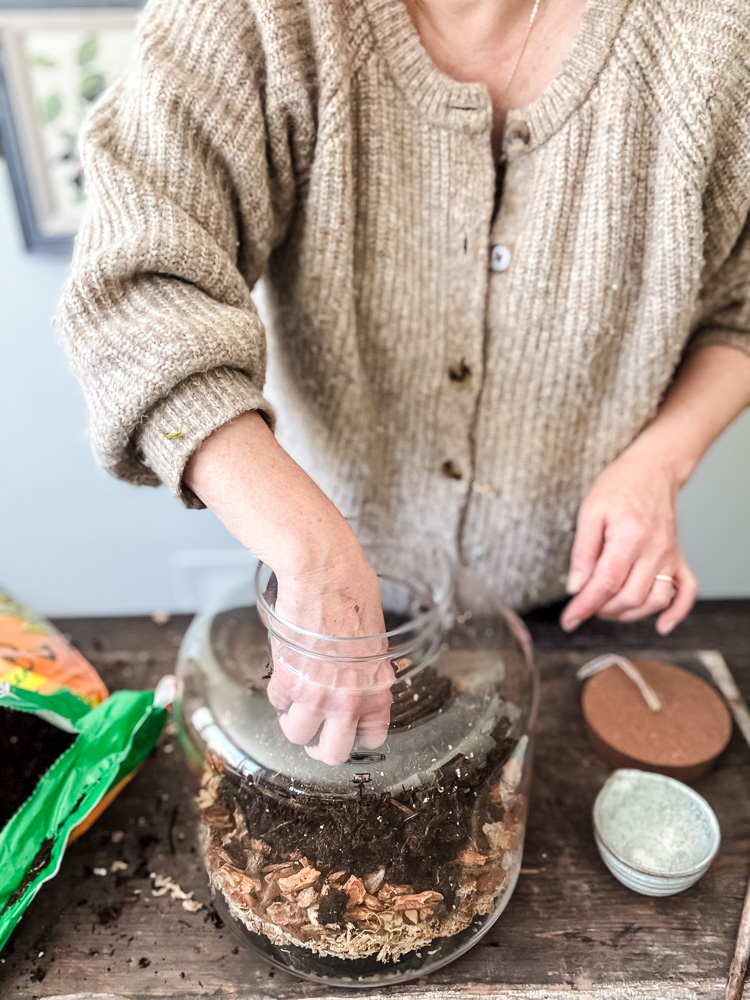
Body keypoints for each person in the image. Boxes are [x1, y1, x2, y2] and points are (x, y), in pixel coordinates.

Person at [58, 0, 750, 764]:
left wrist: (664, 457)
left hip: (578, 588)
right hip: (326, 591)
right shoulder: (253, 17)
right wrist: (314, 552)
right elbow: (137, 293)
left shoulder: (716, 34)